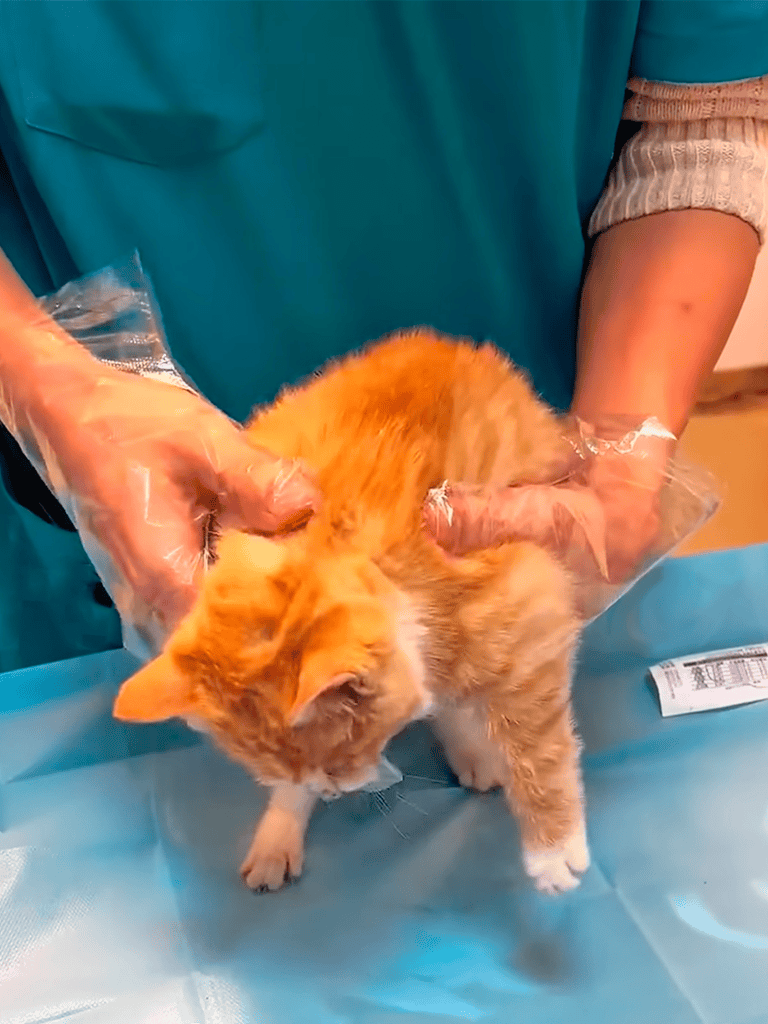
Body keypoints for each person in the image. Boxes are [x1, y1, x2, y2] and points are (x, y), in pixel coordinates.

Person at [0, 0, 766, 670]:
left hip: (532, 502)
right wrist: (48, 388)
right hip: (109, 536)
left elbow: (702, 110)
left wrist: (620, 453)